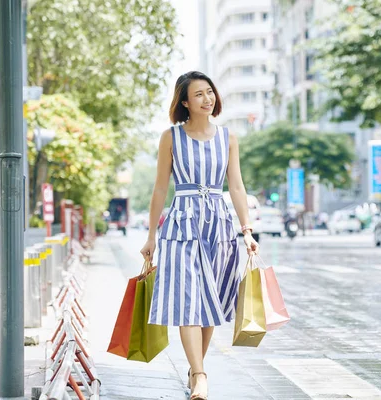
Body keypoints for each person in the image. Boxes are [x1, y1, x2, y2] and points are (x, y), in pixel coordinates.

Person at [139, 71, 259, 400]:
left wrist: (246, 230)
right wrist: (151, 235)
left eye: (210, 92)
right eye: (199, 94)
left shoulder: (228, 138)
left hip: (219, 224)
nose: (207, 99)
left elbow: (235, 185)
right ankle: (202, 374)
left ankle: (195, 371)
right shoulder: (171, 137)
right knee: (187, 302)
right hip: (181, 223)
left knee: (211, 304)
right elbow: (161, 187)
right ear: (185, 102)